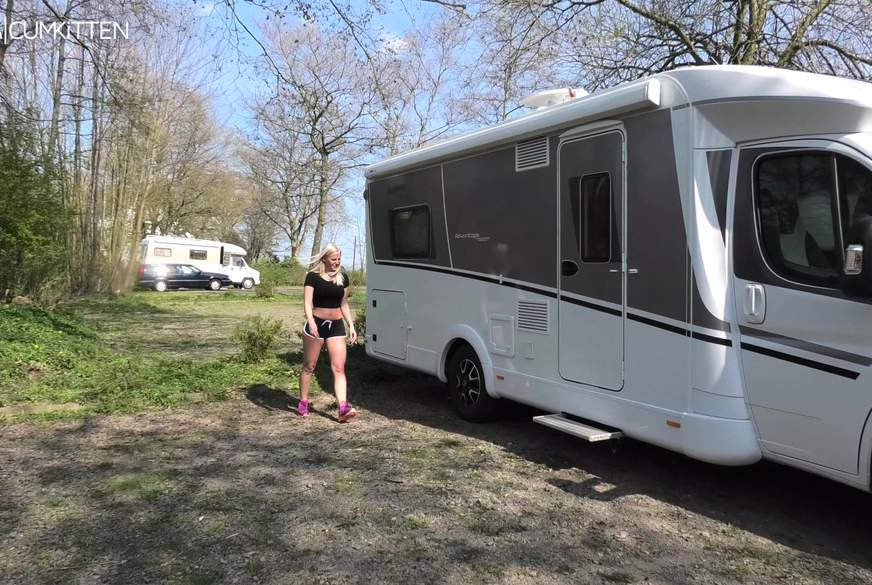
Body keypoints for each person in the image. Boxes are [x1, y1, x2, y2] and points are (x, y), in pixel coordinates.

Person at [297, 244, 358, 422]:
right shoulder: (313, 277)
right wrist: (310, 320)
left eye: (339, 259)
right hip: (315, 325)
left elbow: (343, 303)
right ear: (324, 258)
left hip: (336, 327)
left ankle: (343, 407)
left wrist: (351, 325)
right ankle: (303, 401)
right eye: (333, 259)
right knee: (309, 366)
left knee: (339, 367)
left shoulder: (343, 278)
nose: (337, 262)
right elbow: (307, 302)